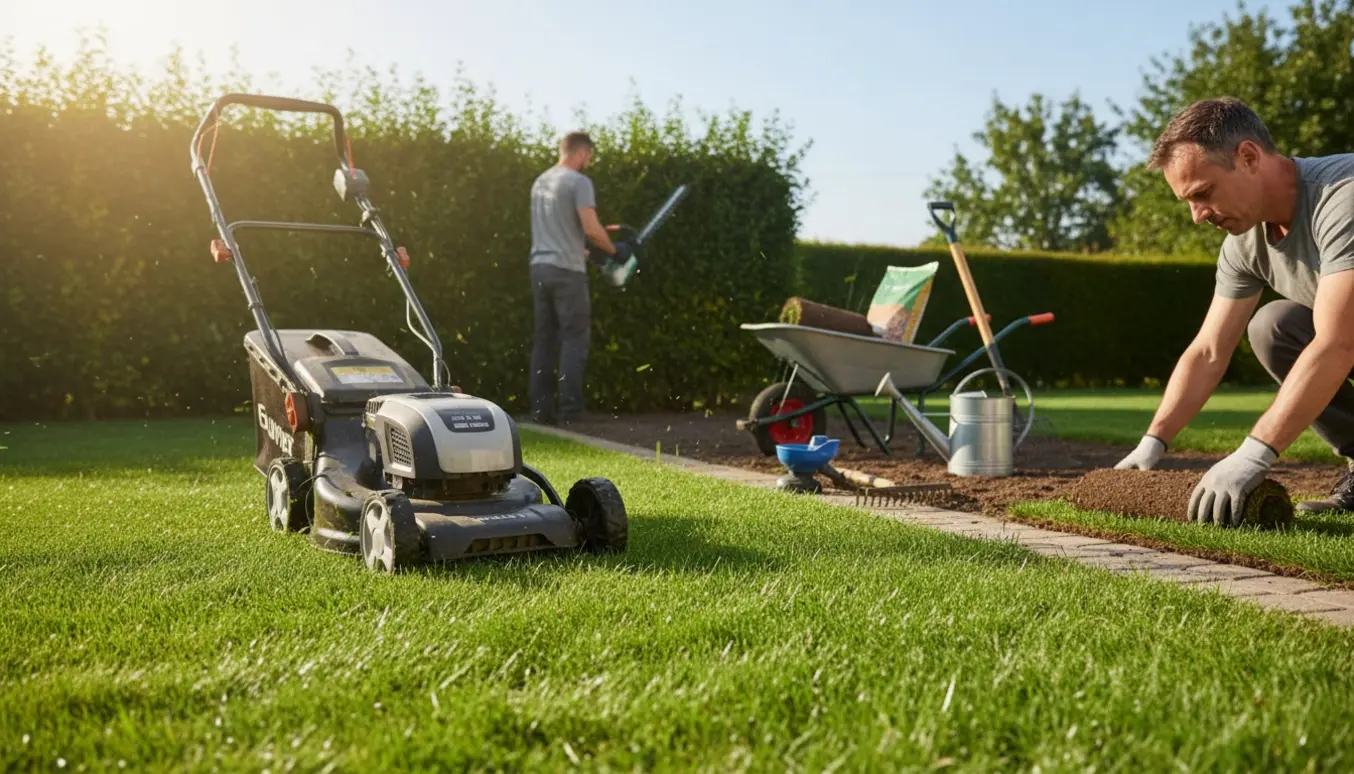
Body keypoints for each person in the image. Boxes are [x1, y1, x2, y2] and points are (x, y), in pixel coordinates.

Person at [1113, 97, 1354, 526]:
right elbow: (1208, 350)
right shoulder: (1243, 245)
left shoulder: (1342, 197)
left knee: (1322, 333)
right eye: (1187, 201)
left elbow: (1338, 343)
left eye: (1203, 193)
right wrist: (1154, 442)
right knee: (1274, 326)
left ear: (1248, 157)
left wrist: (1253, 453)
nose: (1196, 215)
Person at [526, 131, 632, 425]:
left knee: (544, 339)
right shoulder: (578, 182)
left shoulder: (541, 182)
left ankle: (541, 411)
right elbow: (592, 228)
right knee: (575, 337)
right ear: (582, 153)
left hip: (539, 267)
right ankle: (572, 411)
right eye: (589, 156)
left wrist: (584, 249)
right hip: (567, 271)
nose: (588, 162)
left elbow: (560, 229)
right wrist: (615, 251)